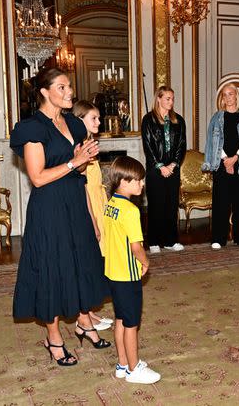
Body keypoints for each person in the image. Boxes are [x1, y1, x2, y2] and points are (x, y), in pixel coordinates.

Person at [10, 68, 109, 366]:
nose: (69, 93)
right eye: (62, 88)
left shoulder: (74, 125)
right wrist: (74, 161)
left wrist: (84, 159)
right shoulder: (31, 128)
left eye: (70, 87)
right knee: (51, 268)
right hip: (49, 207)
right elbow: (37, 177)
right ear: (44, 92)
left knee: (79, 263)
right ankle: (53, 338)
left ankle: (83, 322)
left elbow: (78, 171)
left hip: (75, 203)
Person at [103, 156, 161, 383]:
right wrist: (145, 262)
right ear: (124, 182)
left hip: (113, 272)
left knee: (120, 318)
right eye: (138, 180)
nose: (142, 184)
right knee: (131, 324)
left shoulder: (110, 205)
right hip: (128, 275)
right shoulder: (130, 211)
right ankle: (134, 369)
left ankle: (122, 363)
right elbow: (136, 246)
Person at [72, 100, 114, 331]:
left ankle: (89, 313)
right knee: (87, 263)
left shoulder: (89, 143)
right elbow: (83, 189)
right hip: (88, 209)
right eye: (94, 118)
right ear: (80, 120)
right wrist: (93, 221)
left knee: (95, 261)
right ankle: (83, 315)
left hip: (99, 204)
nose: (99, 122)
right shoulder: (80, 147)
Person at [202, 83, 239, 250]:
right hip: (221, 164)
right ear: (222, 99)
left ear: (236, 96)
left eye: (231, 94)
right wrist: (226, 160)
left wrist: (235, 158)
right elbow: (211, 142)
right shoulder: (216, 118)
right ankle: (218, 238)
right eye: (225, 95)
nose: (228, 97)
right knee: (221, 202)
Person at [141, 86, 186, 253]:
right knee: (156, 205)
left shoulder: (178, 120)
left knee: (171, 205)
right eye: (167, 98)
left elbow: (182, 145)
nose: (171, 102)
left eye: (172, 98)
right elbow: (148, 147)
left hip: (173, 169)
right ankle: (153, 241)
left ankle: (171, 240)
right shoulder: (148, 120)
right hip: (155, 169)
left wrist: (173, 164)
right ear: (158, 99)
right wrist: (160, 166)